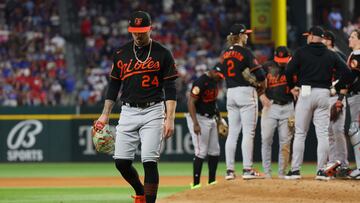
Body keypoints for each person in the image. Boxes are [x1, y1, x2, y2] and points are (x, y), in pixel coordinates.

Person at [95, 11, 178, 203]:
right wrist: (104, 115)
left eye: (142, 31)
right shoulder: (121, 53)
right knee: (121, 162)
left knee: (149, 161)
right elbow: (114, 85)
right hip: (128, 111)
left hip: (153, 111)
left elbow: (170, 87)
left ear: (150, 29)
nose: (138, 35)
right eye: (134, 31)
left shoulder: (162, 53)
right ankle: (140, 191)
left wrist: (170, 118)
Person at [284, 26, 354, 180]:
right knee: (322, 133)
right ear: (322, 38)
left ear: (310, 36)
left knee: (301, 133)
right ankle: (321, 171)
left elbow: (288, 71)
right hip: (324, 93)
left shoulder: (301, 52)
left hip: (306, 92)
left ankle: (295, 171)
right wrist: (336, 86)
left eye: (308, 35)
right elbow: (348, 73)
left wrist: (292, 87)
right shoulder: (330, 54)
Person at [219, 23, 266, 180]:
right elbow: (260, 75)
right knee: (248, 132)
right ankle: (247, 169)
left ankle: (229, 171)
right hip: (245, 92)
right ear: (239, 36)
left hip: (230, 93)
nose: (247, 36)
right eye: (245, 34)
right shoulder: (245, 52)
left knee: (233, 133)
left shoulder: (224, 54)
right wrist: (259, 83)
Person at [185, 64, 224, 189]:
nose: (220, 78)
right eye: (219, 75)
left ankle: (211, 182)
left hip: (211, 118)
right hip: (199, 118)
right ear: (212, 71)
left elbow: (213, 102)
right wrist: (195, 123)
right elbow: (190, 102)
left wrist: (219, 119)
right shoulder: (200, 82)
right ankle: (196, 184)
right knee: (201, 150)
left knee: (215, 150)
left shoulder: (214, 81)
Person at [260, 46, 294, 179]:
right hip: (271, 106)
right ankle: (267, 172)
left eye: (284, 59)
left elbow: (301, 82)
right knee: (266, 139)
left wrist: (296, 89)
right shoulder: (267, 66)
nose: (281, 62)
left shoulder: (293, 66)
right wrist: (261, 95)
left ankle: (282, 172)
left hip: (288, 106)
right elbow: (255, 81)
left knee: (285, 142)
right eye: (279, 59)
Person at [323, 30, 351, 178]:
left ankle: (344, 164)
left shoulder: (339, 56)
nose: (322, 41)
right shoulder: (322, 57)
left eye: (324, 39)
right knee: (328, 132)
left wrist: (340, 98)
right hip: (325, 97)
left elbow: (347, 79)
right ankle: (332, 163)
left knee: (338, 130)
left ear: (330, 41)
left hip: (336, 97)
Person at [347, 29, 360, 179]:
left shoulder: (357, 56)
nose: (349, 39)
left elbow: (350, 77)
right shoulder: (354, 55)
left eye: (353, 37)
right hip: (354, 96)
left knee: (354, 130)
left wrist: (336, 86)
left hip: (357, 96)